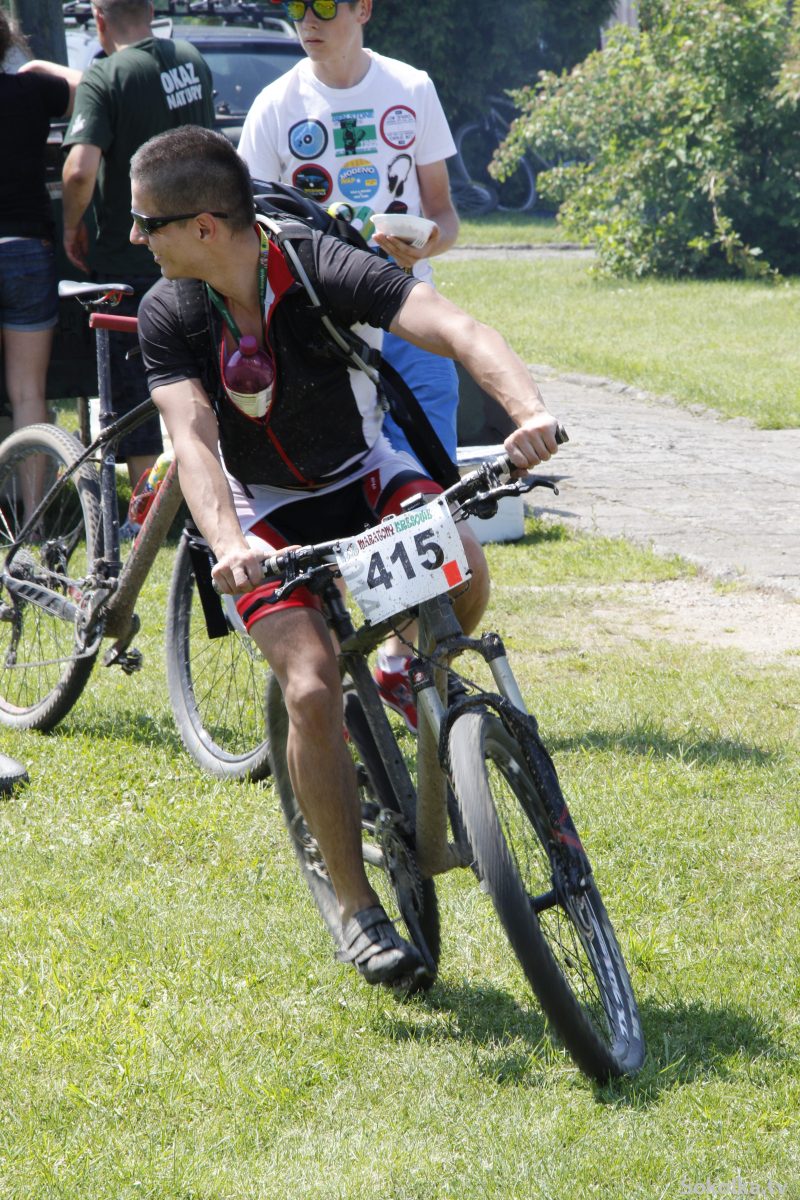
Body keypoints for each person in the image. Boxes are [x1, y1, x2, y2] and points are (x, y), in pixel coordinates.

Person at [131, 126, 562, 990]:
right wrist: (228, 546)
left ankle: (401, 667)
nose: (138, 239)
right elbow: (193, 439)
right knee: (310, 684)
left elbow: (458, 328)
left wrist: (527, 412)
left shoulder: (323, 267)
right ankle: (358, 908)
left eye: (148, 223)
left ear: (206, 226)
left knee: (464, 569)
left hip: (364, 471)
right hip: (260, 510)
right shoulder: (170, 312)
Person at [238, 0, 461, 727]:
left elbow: (445, 213)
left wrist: (424, 244)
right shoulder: (275, 105)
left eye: (325, 3)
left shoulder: (411, 87)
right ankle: (335, 672)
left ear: (364, 6)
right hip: (317, 336)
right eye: (294, 6)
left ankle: (399, 661)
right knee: (334, 492)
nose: (308, 18)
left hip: (406, 316)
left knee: (435, 507)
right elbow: (246, 229)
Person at [53, 0, 215, 494]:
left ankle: (145, 507)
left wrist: (70, 226)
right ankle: (212, 489)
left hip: (132, 257)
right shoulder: (192, 58)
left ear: (99, 19)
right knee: (206, 377)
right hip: (200, 254)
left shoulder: (106, 76)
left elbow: (79, 171)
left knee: (137, 388)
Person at [0, 12, 75, 519]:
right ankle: (33, 517)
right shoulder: (30, 92)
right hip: (26, 247)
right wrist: (37, 66)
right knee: (29, 391)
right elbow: (92, 85)